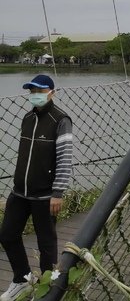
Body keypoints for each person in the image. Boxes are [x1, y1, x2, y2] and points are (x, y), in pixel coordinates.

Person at [0, 75, 73, 301]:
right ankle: (22, 280)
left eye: (40, 91)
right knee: (8, 235)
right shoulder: (27, 118)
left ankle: (46, 290)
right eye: (32, 91)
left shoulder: (60, 119)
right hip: (19, 192)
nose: (35, 95)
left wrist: (58, 192)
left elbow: (64, 158)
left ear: (51, 92)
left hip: (45, 195)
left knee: (46, 244)